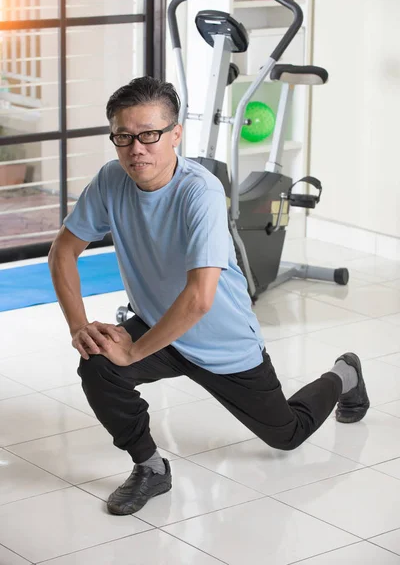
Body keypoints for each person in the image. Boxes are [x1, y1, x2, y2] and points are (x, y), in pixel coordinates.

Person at [48, 76, 370, 516]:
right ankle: (151, 468)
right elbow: (63, 250)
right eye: (123, 137)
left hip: (222, 340)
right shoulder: (111, 180)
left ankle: (344, 374)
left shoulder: (199, 191)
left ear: (175, 134)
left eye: (149, 135)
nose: (135, 148)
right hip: (158, 323)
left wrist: (135, 350)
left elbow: (200, 298)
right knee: (98, 364)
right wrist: (79, 327)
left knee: (287, 436)